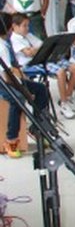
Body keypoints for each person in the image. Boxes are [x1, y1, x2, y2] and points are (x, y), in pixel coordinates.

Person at [11, 13, 75, 119]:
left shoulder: (29, 35)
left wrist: (37, 49)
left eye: (28, 25)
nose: (27, 28)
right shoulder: (14, 39)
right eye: (24, 25)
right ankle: (64, 104)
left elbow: (44, 46)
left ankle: (67, 96)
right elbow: (28, 53)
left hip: (44, 59)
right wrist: (38, 49)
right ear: (15, 26)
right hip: (30, 64)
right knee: (60, 71)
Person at [0, 12, 49, 158]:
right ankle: (11, 139)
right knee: (18, 99)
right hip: (3, 81)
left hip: (11, 78)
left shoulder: (6, 43)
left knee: (40, 89)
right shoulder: (2, 47)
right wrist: (22, 88)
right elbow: (7, 76)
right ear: (9, 29)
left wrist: (23, 81)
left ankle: (36, 128)